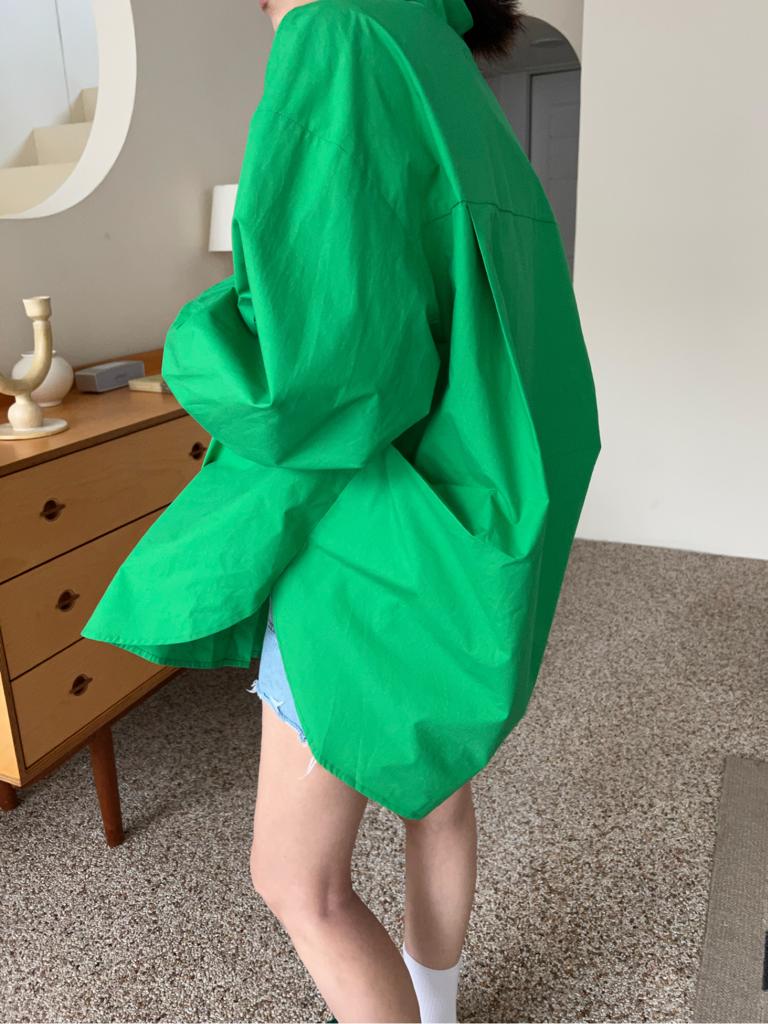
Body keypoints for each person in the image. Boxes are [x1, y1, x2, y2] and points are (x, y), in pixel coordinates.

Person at [83, 0, 600, 1018]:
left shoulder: (335, 35)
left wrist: (188, 344)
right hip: (467, 511)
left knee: (296, 878)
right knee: (433, 791)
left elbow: (312, 378)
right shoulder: (440, 54)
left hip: (371, 531)